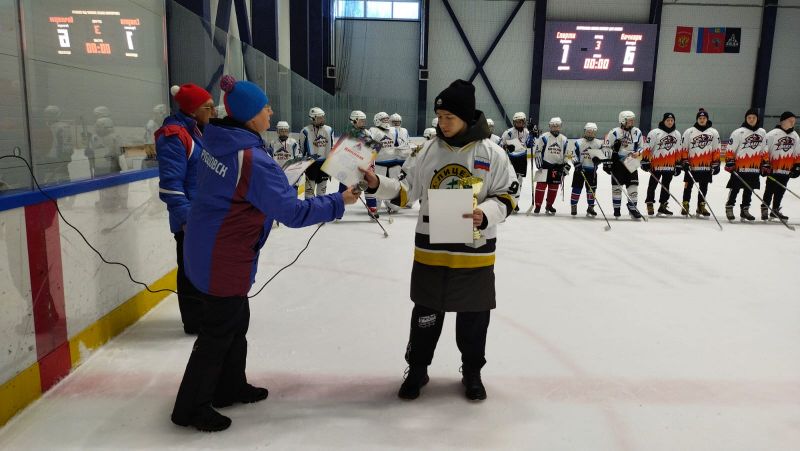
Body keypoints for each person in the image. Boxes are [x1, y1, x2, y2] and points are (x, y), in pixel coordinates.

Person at [171, 75, 360, 432]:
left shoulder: (221, 140)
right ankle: (189, 409)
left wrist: (291, 174)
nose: (271, 112)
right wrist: (338, 200)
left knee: (235, 323)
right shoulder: (249, 157)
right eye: (265, 107)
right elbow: (291, 212)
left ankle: (229, 386)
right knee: (217, 333)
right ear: (248, 114)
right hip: (222, 255)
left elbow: (251, 185)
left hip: (210, 245)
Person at [362, 79, 517, 402]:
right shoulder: (426, 151)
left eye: (449, 117)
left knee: (474, 317)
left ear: (467, 117)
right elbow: (406, 192)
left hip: (475, 253)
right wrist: (378, 183)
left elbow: (508, 195)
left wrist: (486, 213)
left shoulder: (493, 153)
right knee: (425, 314)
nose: (442, 123)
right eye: (440, 116)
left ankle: (472, 371)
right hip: (431, 251)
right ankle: (418, 369)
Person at [155, 83, 214, 335]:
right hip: (190, 220)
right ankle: (195, 321)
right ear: (193, 109)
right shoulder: (174, 136)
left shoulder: (196, 132)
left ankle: (207, 315)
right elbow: (170, 187)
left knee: (204, 268)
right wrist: (187, 219)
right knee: (191, 270)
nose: (213, 112)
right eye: (208, 107)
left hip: (204, 216)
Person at [724, 109, 768, 221]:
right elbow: (730, 149)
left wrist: (765, 163)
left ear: (757, 119)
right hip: (739, 168)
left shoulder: (762, 132)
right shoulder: (738, 132)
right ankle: (729, 207)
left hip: (754, 168)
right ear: (746, 119)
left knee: (749, 190)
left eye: (754, 118)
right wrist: (730, 161)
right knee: (735, 189)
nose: (751, 120)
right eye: (749, 118)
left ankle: (745, 209)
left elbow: (764, 149)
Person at [602, 111, 645, 219]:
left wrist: (638, 153)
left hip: (631, 161)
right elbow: (606, 147)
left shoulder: (637, 132)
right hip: (617, 163)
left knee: (633, 186)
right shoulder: (614, 132)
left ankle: (633, 208)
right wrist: (607, 161)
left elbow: (641, 147)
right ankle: (617, 209)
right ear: (622, 120)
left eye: (632, 120)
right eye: (629, 120)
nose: (632, 122)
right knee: (617, 187)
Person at [680, 108, 721, 217]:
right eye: (700, 118)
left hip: (706, 166)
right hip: (691, 166)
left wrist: (716, 163)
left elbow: (716, 149)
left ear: (707, 119)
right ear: (697, 119)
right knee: (688, 187)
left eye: (704, 118)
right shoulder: (689, 132)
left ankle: (701, 206)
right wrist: (684, 161)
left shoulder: (713, 132)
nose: (702, 120)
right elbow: (684, 148)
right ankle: (685, 204)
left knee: (703, 187)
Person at [643, 113, 682, 216]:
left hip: (670, 166)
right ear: (663, 121)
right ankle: (650, 203)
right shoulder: (655, 133)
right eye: (668, 120)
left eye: (672, 120)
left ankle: (663, 206)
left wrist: (678, 164)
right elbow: (647, 147)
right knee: (652, 185)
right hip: (656, 164)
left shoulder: (677, 134)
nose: (670, 122)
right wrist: (645, 160)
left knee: (666, 186)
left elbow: (678, 150)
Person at [762, 111, 799, 220]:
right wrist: (765, 164)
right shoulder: (772, 134)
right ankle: (764, 208)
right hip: (773, 169)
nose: (792, 123)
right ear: (783, 121)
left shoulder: (795, 136)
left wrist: (797, 166)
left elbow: (797, 152)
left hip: (786, 169)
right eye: (790, 120)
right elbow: (765, 150)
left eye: (794, 121)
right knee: (769, 189)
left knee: (780, 191)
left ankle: (775, 210)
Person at [532, 117, 569, 215]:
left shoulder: (564, 139)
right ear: (550, 126)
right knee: (540, 187)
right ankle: (538, 206)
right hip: (544, 165)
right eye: (553, 126)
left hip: (557, 167)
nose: (555, 128)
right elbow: (538, 151)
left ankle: (549, 205)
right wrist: (539, 163)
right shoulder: (544, 137)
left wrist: (565, 164)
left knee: (553, 188)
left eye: (557, 126)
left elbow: (566, 153)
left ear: (560, 127)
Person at [568, 122, 604, 217]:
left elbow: (603, 155)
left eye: (592, 132)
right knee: (576, 188)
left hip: (592, 171)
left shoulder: (599, 143)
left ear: (595, 133)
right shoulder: (578, 142)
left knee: (591, 190)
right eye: (588, 132)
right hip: (579, 170)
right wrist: (576, 163)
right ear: (585, 132)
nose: (590, 134)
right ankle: (573, 205)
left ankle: (590, 207)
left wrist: (599, 160)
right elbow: (572, 154)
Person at [299, 107, 334, 198]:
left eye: (323, 117)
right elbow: (301, 149)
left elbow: (332, 147)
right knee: (309, 190)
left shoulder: (329, 130)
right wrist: (302, 164)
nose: (322, 119)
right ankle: (309, 205)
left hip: (324, 163)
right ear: (312, 119)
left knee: (322, 190)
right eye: (319, 118)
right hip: (311, 164)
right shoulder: (305, 131)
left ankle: (320, 205)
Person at [500, 112, 530, 211]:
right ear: (514, 122)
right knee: (510, 181)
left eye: (521, 122)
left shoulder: (527, 132)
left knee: (519, 182)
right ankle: (508, 201)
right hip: (511, 159)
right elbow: (501, 145)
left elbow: (530, 144)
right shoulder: (508, 132)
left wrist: (533, 135)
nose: (519, 123)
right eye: (517, 122)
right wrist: (506, 147)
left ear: (524, 122)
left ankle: (515, 202)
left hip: (522, 159)